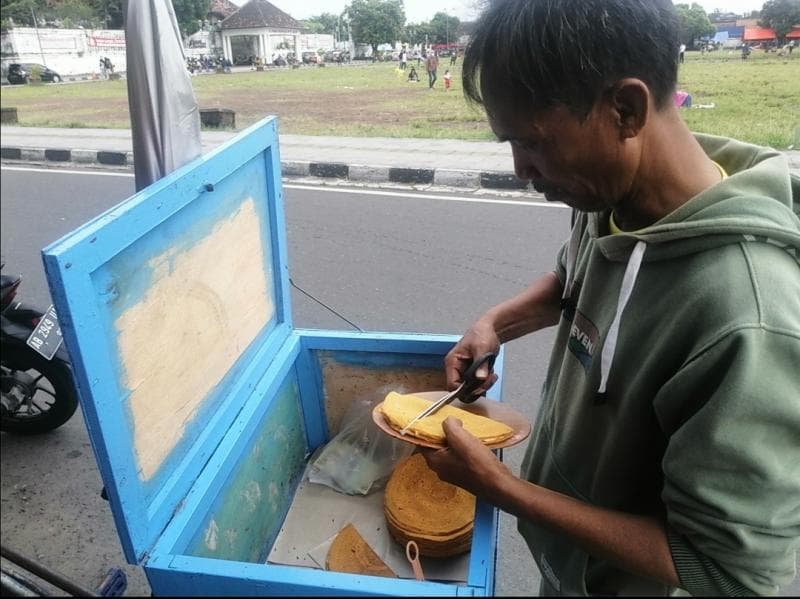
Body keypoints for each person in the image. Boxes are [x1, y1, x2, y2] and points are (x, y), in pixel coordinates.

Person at [419, 0, 800, 596]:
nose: (521, 169)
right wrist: (497, 322)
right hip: (577, 569)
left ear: (625, 109)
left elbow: (726, 570)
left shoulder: (747, 319)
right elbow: (576, 282)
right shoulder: (613, 200)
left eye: (534, 143)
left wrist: (504, 491)